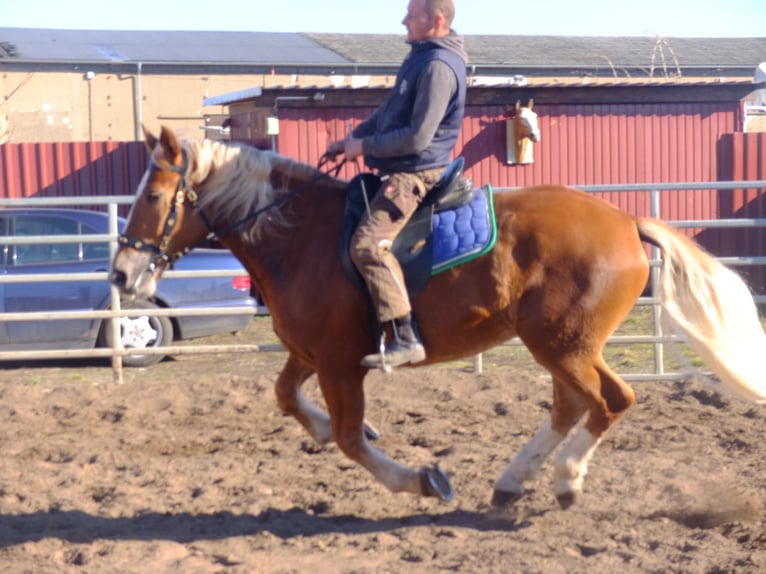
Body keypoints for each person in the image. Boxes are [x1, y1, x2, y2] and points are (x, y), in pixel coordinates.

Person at [327, 0, 467, 369]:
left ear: (435, 21)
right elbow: (388, 113)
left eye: (411, 15)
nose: (403, 20)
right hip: (400, 168)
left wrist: (364, 147)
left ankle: (405, 336)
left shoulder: (438, 67)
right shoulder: (420, 57)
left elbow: (418, 138)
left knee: (368, 247)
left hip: (414, 175)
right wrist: (353, 139)